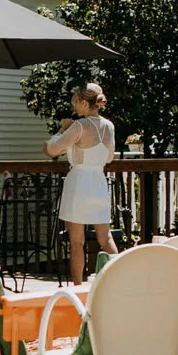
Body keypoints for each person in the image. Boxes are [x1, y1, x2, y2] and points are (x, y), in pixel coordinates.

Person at [46, 82, 118, 284]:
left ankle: (78, 287)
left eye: (76, 102)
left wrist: (62, 129)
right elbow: (109, 158)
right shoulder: (109, 126)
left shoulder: (79, 126)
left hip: (79, 182)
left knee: (77, 241)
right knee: (106, 238)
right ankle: (120, 280)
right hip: (99, 181)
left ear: (85, 104)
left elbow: (52, 149)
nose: (74, 107)